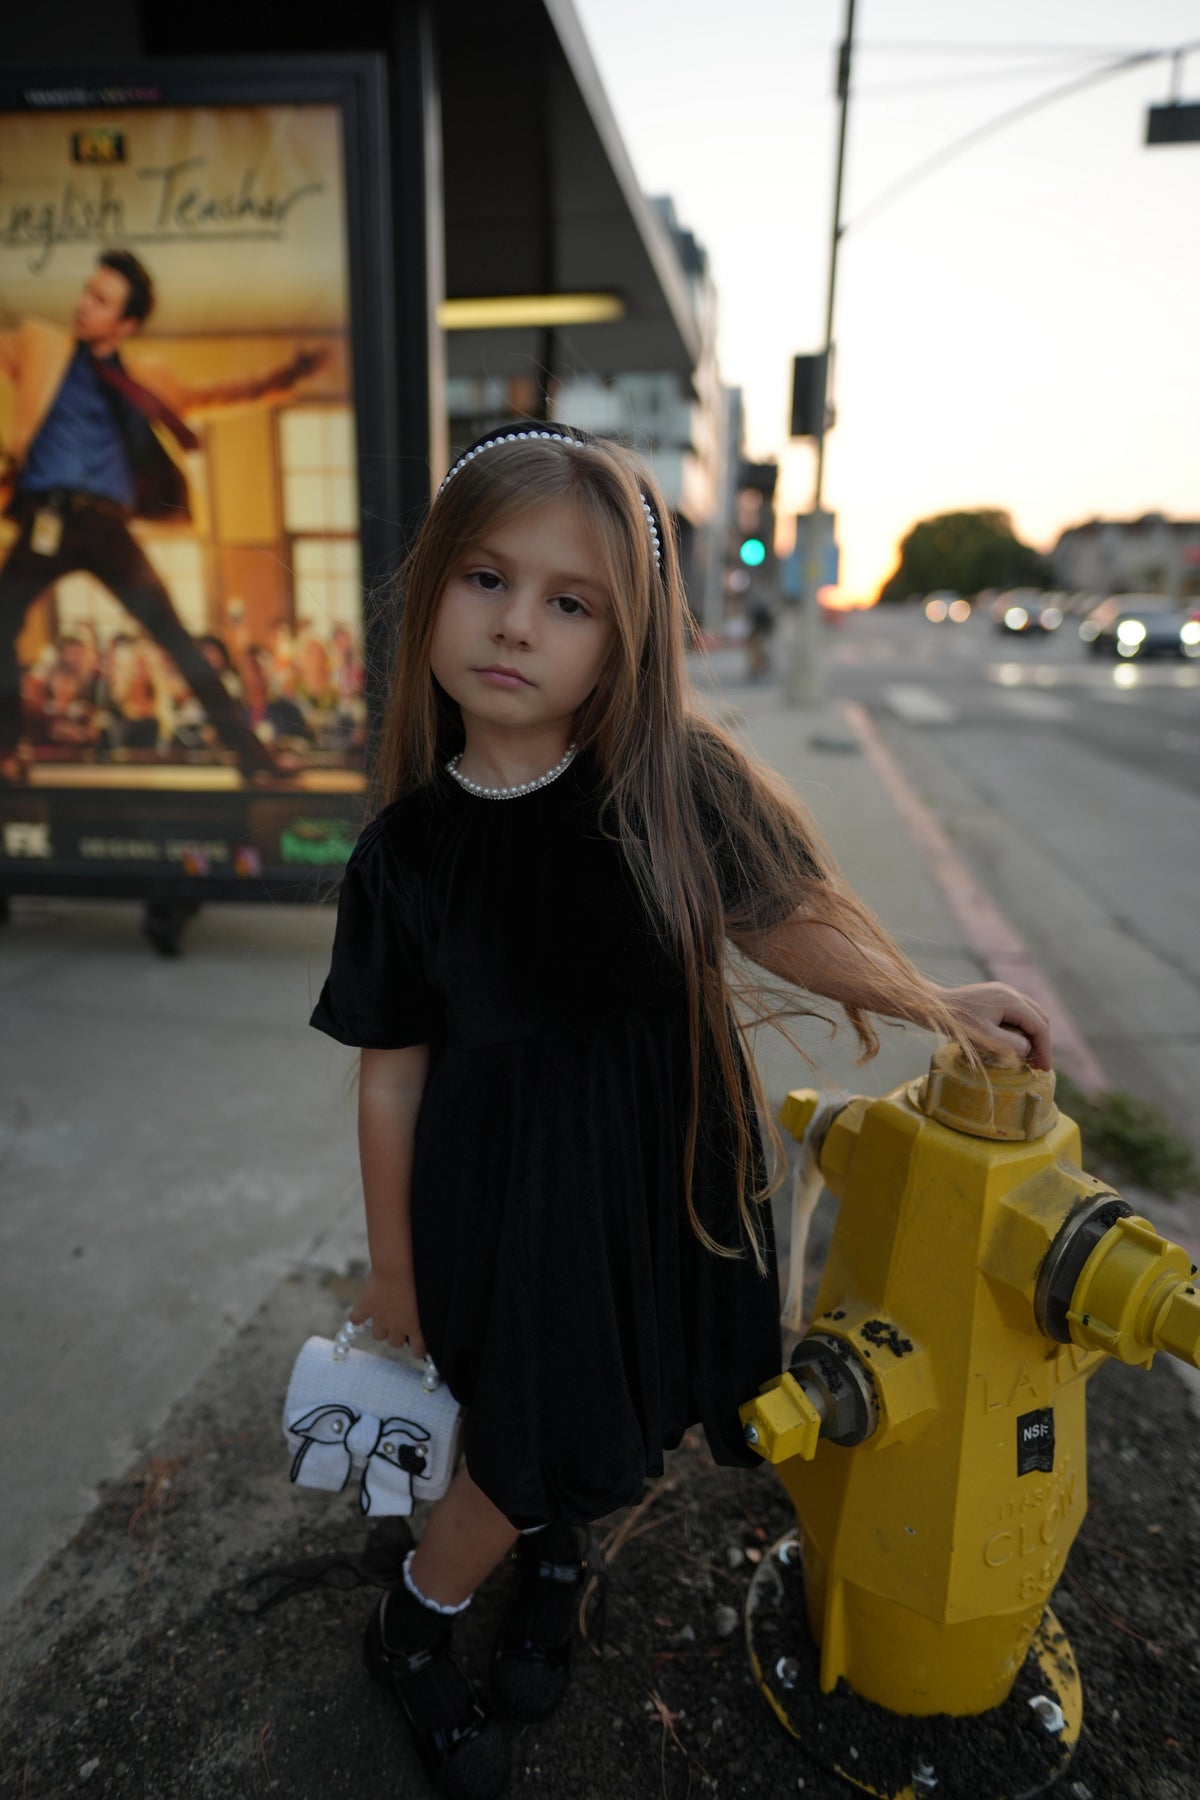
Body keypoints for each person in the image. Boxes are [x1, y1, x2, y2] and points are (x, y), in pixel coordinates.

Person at [309, 424, 1052, 1800]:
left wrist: (931, 998)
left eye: (569, 601)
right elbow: (394, 1069)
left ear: (622, 640)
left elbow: (783, 925)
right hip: (507, 1202)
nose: (518, 623)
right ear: (430, 597)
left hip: (659, 1181)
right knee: (527, 1434)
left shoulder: (663, 787)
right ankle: (412, 1627)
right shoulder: (404, 858)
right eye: (486, 579)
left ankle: (553, 1549)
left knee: (619, 1401)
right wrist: (397, 1268)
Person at [0, 249, 326, 784]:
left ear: (125, 324)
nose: (84, 305)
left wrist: (290, 375)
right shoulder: (40, 343)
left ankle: (253, 760)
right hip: (45, 520)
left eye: (101, 301)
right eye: (87, 291)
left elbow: (224, 393)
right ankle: (7, 752)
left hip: (106, 528)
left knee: (175, 637)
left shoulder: (147, 379)